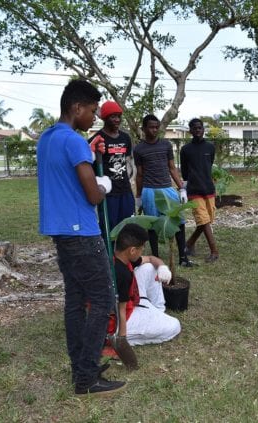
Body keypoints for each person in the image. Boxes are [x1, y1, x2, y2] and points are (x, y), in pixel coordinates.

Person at [37, 79, 125, 395]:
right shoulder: (74, 141)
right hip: (83, 233)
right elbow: (92, 195)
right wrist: (104, 185)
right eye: (91, 111)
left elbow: (65, 175)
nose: (94, 117)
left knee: (75, 301)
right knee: (101, 301)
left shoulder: (46, 138)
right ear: (77, 108)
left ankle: (81, 367)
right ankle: (87, 378)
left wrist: (88, 156)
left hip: (60, 233)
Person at [133, 114, 194, 266]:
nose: (154, 130)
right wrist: (138, 196)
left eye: (156, 127)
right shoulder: (139, 149)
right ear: (144, 128)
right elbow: (139, 174)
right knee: (153, 226)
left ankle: (183, 258)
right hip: (149, 191)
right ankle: (156, 258)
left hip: (167, 189)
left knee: (178, 222)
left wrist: (181, 189)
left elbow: (172, 168)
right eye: (151, 127)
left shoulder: (166, 145)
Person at [108, 223, 181, 347]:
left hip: (129, 304)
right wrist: (122, 339)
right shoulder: (121, 274)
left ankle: (157, 313)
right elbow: (121, 310)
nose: (142, 251)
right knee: (174, 326)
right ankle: (118, 336)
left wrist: (162, 267)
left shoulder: (119, 257)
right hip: (118, 320)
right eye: (141, 248)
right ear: (132, 250)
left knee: (149, 267)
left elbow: (151, 259)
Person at [87, 101, 135, 244]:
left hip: (125, 190)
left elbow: (129, 162)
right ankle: (109, 260)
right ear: (105, 118)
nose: (117, 120)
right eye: (113, 116)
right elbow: (88, 165)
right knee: (108, 229)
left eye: (119, 116)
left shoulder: (125, 138)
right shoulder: (96, 139)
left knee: (128, 228)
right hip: (108, 194)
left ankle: (125, 261)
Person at [180, 118, 219, 263]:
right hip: (194, 190)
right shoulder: (185, 150)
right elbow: (184, 173)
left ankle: (189, 244)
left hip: (208, 188)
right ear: (190, 131)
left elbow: (209, 165)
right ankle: (214, 251)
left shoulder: (210, 147)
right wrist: (184, 189)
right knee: (203, 220)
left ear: (203, 130)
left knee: (206, 221)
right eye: (194, 128)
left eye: (199, 128)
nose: (197, 130)